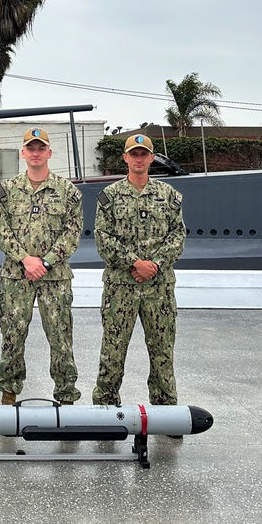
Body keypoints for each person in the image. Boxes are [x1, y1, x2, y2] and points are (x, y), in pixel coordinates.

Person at [92, 134, 186, 410]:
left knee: (162, 350)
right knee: (113, 349)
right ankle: (105, 406)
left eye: (144, 154)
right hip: (121, 287)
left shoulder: (169, 196)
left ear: (151, 158)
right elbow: (103, 238)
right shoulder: (109, 196)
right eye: (134, 154)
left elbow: (178, 237)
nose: (139, 158)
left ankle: (165, 408)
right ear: (125, 158)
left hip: (159, 288)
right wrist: (136, 263)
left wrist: (153, 264)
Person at [0, 127, 83, 405]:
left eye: (40, 148)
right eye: (30, 148)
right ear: (23, 153)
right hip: (16, 277)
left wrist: (44, 262)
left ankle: (66, 394)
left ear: (49, 153)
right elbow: (0, 228)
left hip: (54, 277)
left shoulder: (68, 191)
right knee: (12, 335)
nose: (35, 153)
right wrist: (25, 259)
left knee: (60, 337)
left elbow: (72, 231)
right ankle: (9, 391)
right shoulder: (6, 191)